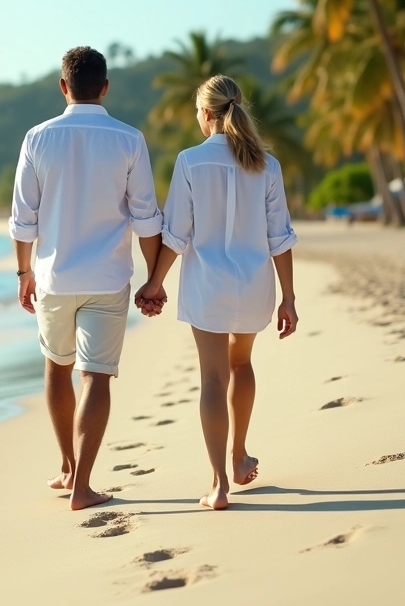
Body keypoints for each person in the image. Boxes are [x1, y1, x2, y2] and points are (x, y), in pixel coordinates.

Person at [9, 46, 164, 511]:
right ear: (105, 87)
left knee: (56, 367)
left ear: (63, 87)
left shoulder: (37, 138)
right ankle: (84, 486)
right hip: (107, 277)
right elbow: (147, 220)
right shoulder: (129, 139)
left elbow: (22, 220)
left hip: (53, 277)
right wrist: (153, 281)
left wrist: (23, 274)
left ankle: (67, 467)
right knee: (96, 376)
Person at [135, 74, 298, 511]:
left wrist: (155, 283)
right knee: (241, 364)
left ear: (206, 115)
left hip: (207, 285)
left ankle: (219, 484)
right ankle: (240, 455)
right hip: (253, 286)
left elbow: (177, 233)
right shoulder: (267, 163)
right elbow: (279, 236)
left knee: (212, 377)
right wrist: (290, 299)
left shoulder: (190, 161)